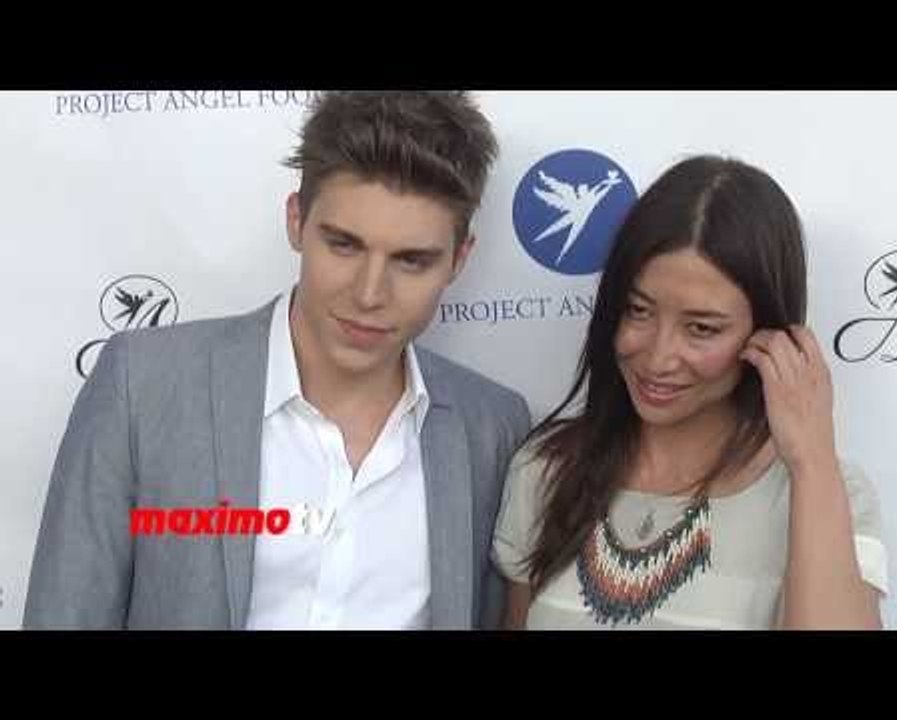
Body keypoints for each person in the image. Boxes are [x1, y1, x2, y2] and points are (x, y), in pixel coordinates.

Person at [24, 91, 530, 630]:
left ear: (459, 259)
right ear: (296, 221)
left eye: (411, 260)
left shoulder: (492, 426)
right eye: (344, 245)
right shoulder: (143, 385)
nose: (369, 292)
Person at [492, 155, 887, 630]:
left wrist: (812, 458)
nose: (659, 358)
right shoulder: (546, 469)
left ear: (767, 332)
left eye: (701, 328)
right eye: (638, 310)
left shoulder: (824, 492)